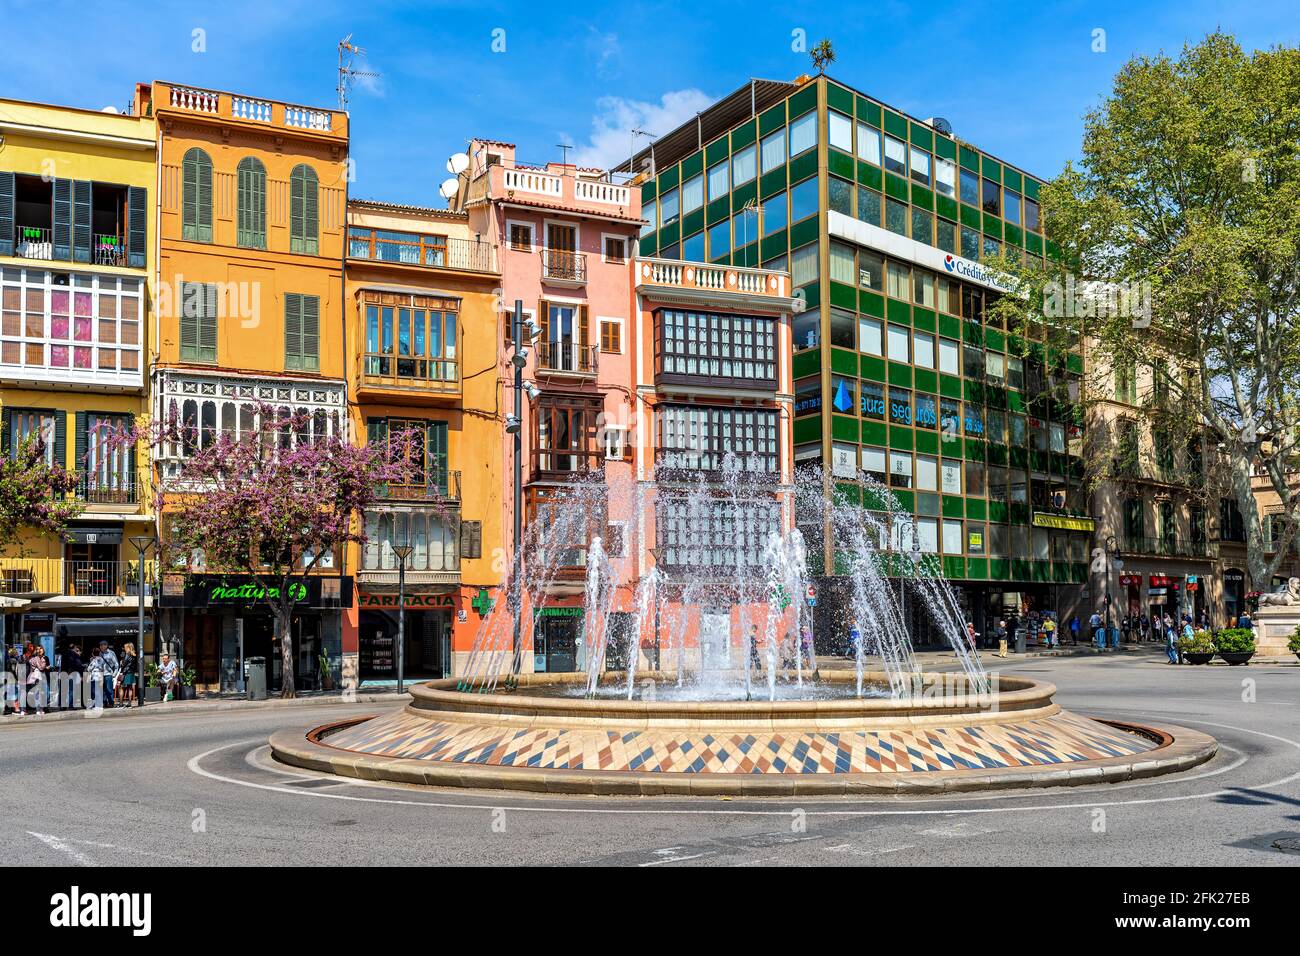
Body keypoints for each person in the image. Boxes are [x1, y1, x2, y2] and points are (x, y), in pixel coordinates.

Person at [26, 645, 49, 714]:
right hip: (37, 677)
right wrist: (44, 663)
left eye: (41, 649)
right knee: (38, 693)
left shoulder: (43, 658)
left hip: (42, 676)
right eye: (38, 649)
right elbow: (41, 668)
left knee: (43, 693)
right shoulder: (36, 658)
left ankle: (41, 709)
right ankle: (38, 709)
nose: (40, 650)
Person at [98, 641, 118, 708]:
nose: (101, 647)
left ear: (106, 646)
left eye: (102, 645)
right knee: (102, 690)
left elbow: (116, 665)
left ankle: (111, 703)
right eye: (100, 645)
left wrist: (114, 674)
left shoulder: (111, 653)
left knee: (109, 689)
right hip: (100, 674)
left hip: (108, 674)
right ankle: (104, 703)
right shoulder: (99, 653)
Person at [118, 642, 138, 707]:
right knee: (130, 688)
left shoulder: (128, 654)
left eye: (125, 647)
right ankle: (129, 703)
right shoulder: (134, 655)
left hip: (126, 673)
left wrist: (121, 663)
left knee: (121, 688)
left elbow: (123, 664)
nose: (124, 649)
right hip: (131, 673)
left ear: (128, 648)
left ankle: (121, 703)